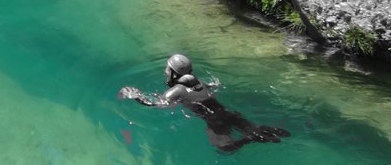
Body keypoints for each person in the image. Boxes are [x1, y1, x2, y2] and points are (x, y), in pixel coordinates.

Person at [118, 54, 290, 152]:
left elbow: (158, 105)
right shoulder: (199, 82)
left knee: (225, 149)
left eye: (167, 69)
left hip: (214, 121)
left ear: (174, 73)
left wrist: (137, 96)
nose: (164, 71)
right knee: (256, 130)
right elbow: (212, 87)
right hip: (227, 112)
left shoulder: (176, 91)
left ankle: (249, 139)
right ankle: (258, 133)